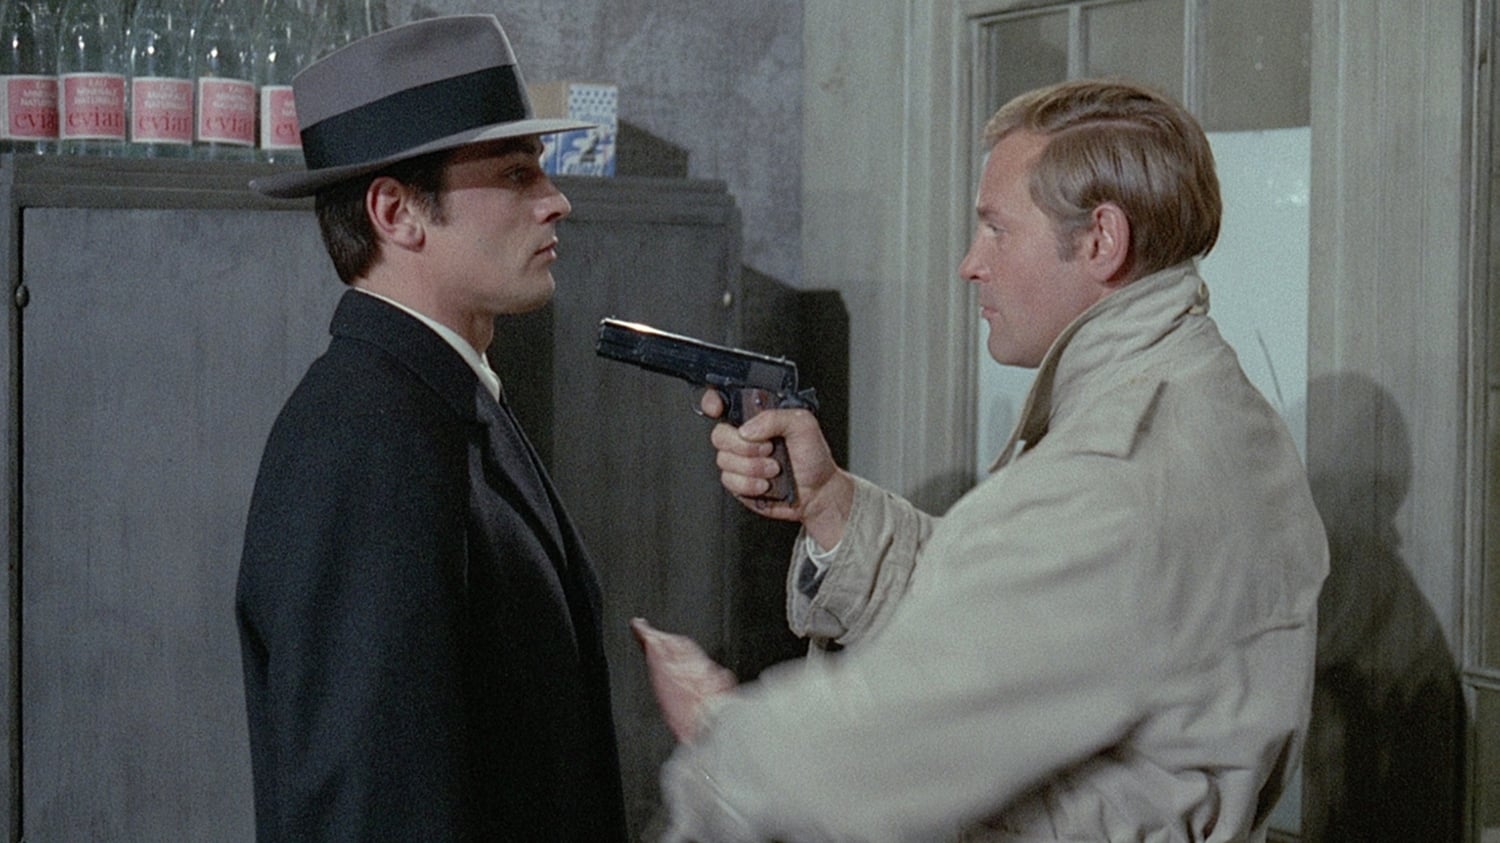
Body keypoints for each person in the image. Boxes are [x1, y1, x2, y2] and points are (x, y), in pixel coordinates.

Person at [632, 78, 1330, 841]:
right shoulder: (1208, 400)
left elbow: (873, 757)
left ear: (1101, 240)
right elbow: (1032, 620)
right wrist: (832, 504)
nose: (971, 263)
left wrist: (723, 744)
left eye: (997, 229)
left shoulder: (1112, 477)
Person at [235, 15, 628, 841]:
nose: (556, 200)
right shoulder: (367, 442)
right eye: (516, 173)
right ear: (396, 212)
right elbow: (371, 808)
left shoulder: (437, 398)